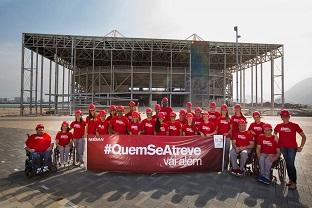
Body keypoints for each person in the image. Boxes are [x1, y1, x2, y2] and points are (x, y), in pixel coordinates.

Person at [274, 109, 306, 190]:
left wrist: (301, 146)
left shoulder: (295, 125)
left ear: (289, 116)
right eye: (283, 116)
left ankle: (294, 183)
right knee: (288, 163)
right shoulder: (278, 126)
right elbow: (274, 134)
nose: (285, 118)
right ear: (281, 117)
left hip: (292, 148)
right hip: (283, 147)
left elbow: (303, 136)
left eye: (286, 116)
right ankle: (291, 180)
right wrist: (277, 141)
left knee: (291, 164)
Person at [217, 104, 232, 169]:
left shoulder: (229, 119)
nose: (224, 111)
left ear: (227, 111)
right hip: (220, 138)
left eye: (225, 110)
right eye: (222, 110)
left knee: (226, 151)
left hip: (227, 137)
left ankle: (226, 165)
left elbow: (231, 128)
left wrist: (227, 133)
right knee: (220, 151)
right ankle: (220, 164)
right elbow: (217, 128)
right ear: (221, 110)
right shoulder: (218, 118)